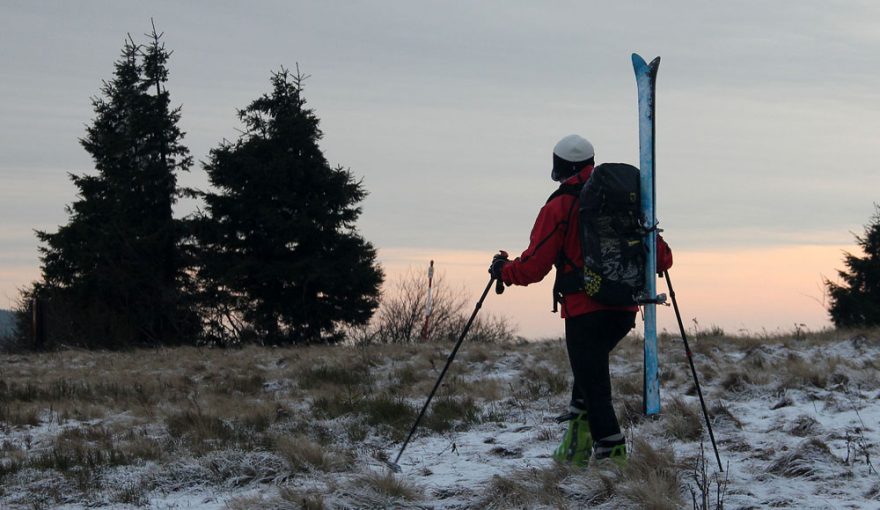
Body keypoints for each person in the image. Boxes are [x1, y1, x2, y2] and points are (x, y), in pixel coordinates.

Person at [489, 134, 673, 467]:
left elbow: (534, 267)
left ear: (558, 166)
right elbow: (662, 259)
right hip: (624, 308)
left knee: (595, 386)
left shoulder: (559, 205)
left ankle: (611, 461)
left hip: (583, 310)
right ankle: (574, 449)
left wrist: (504, 271)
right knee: (589, 376)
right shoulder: (626, 200)